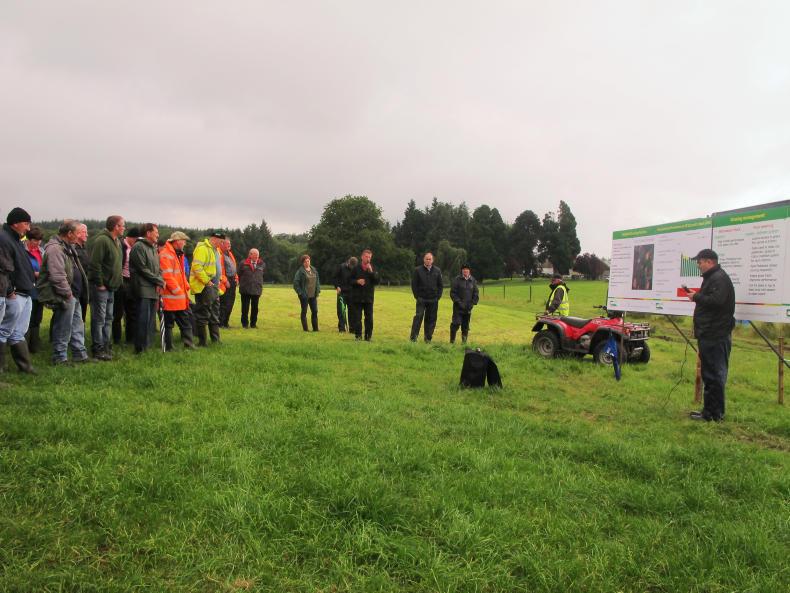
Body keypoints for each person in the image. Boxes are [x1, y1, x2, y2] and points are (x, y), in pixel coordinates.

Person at [687, 248, 736, 422]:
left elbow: (717, 301)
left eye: (699, 262)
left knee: (715, 375)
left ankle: (714, 415)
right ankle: (710, 412)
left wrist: (696, 297)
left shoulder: (719, 278)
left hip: (716, 335)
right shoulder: (713, 278)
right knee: (710, 374)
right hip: (709, 333)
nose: (698, 265)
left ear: (709, 262)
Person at [37, 220, 91, 365]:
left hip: (74, 294)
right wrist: (67, 293)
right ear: (69, 233)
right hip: (65, 295)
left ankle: (80, 354)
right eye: (77, 232)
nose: (79, 235)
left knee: (77, 325)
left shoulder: (68, 247)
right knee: (63, 327)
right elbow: (57, 275)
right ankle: (59, 357)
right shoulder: (55, 249)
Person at [0, 207, 37, 374]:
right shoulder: (4, 239)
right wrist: (10, 292)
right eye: (26, 224)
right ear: (15, 223)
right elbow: (4, 268)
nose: (28, 228)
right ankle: (2, 368)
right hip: (14, 294)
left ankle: (25, 367)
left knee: (18, 332)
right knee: (4, 331)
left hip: (25, 292)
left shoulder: (16, 239)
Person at [88, 215, 124, 361]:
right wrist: (100, 283)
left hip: (112, 287)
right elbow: (95, 264)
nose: (124, 228)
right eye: (122, 225)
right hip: (102, 288)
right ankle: (98, 348)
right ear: (116, 226)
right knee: (99, 319)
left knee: (109, 318)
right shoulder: (102, 240)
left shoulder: (117, 242)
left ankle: (106, 346)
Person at [129, 223, 164, 354]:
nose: (158, 235)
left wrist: (159, 282)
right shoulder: (139, 247)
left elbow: (158, 269)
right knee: (142, 320)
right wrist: (159, 280)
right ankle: (139, 348)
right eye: (156, 232)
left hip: (153, 290)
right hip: (142, 289)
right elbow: (143, 269)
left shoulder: (153, 249)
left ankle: (146, 346)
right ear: (148, 233)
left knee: (150, 321)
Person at [159, 231, 195, 350]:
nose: (184, 243)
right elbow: (167, 276)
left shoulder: (178, 254)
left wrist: (186, 286)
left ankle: (189, 345)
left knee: (186, 323)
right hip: (170, 298)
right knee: (169, 324)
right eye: (183, 240)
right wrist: (178, 291)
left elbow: (181, 274)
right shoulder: (166, 254)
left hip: (179, 297)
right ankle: (169, 347)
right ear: (177, 241)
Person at [189, 232, 225, 346]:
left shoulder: (217, 251)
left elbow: (217, 269)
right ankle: (202, 342)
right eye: (221, 241)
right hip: (205, 287)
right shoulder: (202, 249)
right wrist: (207, 281)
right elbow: (197, 267)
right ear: (214, 239)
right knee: (203, 314)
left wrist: (217, 282)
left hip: (214, 287)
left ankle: (216, 340)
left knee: (214, 314)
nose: (222, 243)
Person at [113, 226, 139, 346]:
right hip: (121, 281)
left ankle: (131, 338)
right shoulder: (120, 246)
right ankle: (117, 339)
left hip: (132, 282)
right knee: (117, 313)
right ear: (129, 237)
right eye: (135, 239)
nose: (136, 242)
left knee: (132, 312)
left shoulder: (135, 248)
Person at [410, 252, 443, 342]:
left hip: (433, 299)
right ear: (424, 260)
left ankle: (428, 338)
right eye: (426, 259)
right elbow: (414, 284)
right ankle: (413, 338)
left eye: (430, 259)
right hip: (422, 299)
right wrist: (417, 296)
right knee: (418, 317)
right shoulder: (418, 270)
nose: (428, 260)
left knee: (431, 319)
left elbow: (440, 285)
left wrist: (438, 297)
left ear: (432, 260)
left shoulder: (437, 271)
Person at [347, 250, 379, 341]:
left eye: (369, 257)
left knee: (369, 318)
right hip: (357, 298)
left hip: (368, 298)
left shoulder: (373, 268)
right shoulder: (355, 268)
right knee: (357, 318)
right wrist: (357, 281)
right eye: (366, 257)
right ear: (362, 257)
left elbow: (377, 281)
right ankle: (358, 336)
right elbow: (349, 281)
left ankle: (368, 337)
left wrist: (371, 272)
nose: (368, 259)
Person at [23, 226, 44, 354]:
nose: (38, 243)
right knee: (27, 319)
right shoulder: (23, 251)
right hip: (27, 289)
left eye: (40, 240)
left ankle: (35, 346)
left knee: (37, 318)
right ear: (29, 240)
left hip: (40, 289)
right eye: (35, 240)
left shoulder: (41, 251)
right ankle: (24, 346)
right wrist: (34, 273)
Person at [450, 263, 480, 344]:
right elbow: (453, 293)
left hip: (468, 308)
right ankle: (452, 342)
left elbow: (476, 293)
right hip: (458, 307)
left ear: (469, 270)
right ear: (462, 270)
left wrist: (472, 303)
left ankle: (464, 343)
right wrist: (459, 303)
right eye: (464, 269)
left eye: (467, 269)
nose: (465, 271)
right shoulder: (457, 280)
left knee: (465, 326)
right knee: (456, 324)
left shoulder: (473, 280)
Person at [238, 248, 265, 329]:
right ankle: (245, 324)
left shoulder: (262, 264)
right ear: (250, 255)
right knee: (245, 308)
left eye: (258, 255)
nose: (257, 256)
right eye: (255, 255)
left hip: (256, 289)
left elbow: (262, 275)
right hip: (245, 289)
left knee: (255, 308)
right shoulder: (243, 263)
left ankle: (253, 324)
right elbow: (239, 274)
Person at [293, 254, 320, 332]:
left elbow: (317, 281)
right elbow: (295, 283)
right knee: (304, 311)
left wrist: (317, 290)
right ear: (303, 263)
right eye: (305, 262)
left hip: (313, 295)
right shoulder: (300, 272)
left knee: (315, 311)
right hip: (304, 295)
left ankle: (315, 329)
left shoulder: (314, 270)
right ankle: (306, 329)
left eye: (308, 261)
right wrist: (300, 293)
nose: (307, 263)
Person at [333, 256, 357, 333]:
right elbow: (334, 277)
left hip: (352, 293)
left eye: (353, 266)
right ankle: (342, 328)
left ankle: (352, 328)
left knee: (352, 311)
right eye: (351, 265)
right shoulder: (341, 267)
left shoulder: (355, 269)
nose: (351, 267)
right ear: (348, 262)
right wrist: (337, 286)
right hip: (342, 292)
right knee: (341, 311)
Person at [219, 238, 238, 328]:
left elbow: (234, 268)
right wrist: (225, 280)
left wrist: (236, 278)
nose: (229, 245)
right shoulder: (219, 254)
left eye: (230, 243)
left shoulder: (229, 254)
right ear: (222, 244)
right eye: (228, 243)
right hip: (225, 282)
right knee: (224, 303)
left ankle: (226, 322)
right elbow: (219, 271)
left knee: (231, 302)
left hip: (232, 280)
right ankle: (221, 323)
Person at [74, 223, 91, 321]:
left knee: (82, 316)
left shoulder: (83, 248)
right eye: (84, 232)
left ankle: (81, 335)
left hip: (84, 287)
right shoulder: (73, 249)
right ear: (77, 233)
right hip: (76, 288)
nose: (87, 235)